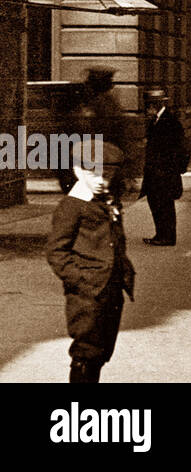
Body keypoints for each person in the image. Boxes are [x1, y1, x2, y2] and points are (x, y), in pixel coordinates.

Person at [47, 140, 135, 383]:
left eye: (106, 175)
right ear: (78, 171)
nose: (100, 180)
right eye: (93, 174)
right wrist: (81, 279)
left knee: (103, 350)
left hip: (111, 288)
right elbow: (56, 252)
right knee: (86, 351)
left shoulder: (106, 200)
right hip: (87, 293)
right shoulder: (72, 206)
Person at [140, 89, 189, 247]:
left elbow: (182, 148)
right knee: (156, 203)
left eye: (148, 107)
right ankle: (161, 234)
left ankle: (167, 237)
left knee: (164, 206)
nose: (147, 111)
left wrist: (175, 169)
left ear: (154, 106)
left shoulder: (169, 121)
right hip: (156, 174)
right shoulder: (157, 120)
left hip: (164, 174)